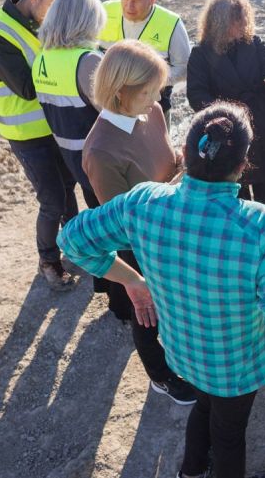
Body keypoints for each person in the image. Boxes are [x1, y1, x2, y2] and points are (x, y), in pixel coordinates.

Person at [60, 101, 265, 478]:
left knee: (206, 407)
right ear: (243, 165)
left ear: (184, 153)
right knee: (229, 436)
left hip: (182, 352)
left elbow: (72, 240)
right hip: (237, 366)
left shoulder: (144, 202)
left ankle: (191, 471)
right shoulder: (258, 225)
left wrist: (130, 278)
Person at [80, 40, 198, 405]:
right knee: (148, 313)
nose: (156, 100)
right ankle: (159, 376)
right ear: (119, 92)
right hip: (143, 248)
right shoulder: (101, 152)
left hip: (175, 227)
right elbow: (121, 225)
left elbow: (162, 159)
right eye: (149, 92)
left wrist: (181, 161)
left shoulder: (152, 113)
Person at [0, 0, 79, 290]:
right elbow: (27, 87)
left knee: (67, 189)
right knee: (51, 200)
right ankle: (48, 261)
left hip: (52, 126)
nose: (55, 17)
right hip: (27, 136)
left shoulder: (35, 22)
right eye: (54, 7)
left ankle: (78, 246)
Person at [187, 0, 265, 235]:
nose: (243, 25)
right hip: (229, 136)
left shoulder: (253, 43)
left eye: (244, 18)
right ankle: (243, 246)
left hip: (264, 128)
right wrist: (226, 114)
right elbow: (196, 95)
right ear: (220, 22)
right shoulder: (201, 54)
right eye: (237, 20)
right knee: (236, 197)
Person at [31, 0, 106, 210]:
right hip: (103, 159)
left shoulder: (42, 61)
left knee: (99, 217)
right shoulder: (87, 61)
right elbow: (118, 113)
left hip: (73, 158)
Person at [98, 0, 192, 118]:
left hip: (153, 110)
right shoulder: (105, 11)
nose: (129, 7)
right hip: (109, 108)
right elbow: (87, 50)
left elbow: (184, 68)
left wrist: (149, 83)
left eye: (136, 1)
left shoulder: (171, 23)